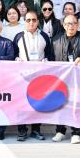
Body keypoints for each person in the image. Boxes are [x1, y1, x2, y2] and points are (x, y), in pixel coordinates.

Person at [51, 14, 80, 144]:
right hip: (61, 79)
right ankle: (60, 131)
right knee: (60, 105)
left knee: (78, 105)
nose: (71, 26)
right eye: (68, 23)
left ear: (78, 24)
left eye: (73, 23)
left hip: (79, 79)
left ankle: (76, 133)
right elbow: (51, 57)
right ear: (63, 25)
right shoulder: (55, 39)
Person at [13, 10, 54, 141]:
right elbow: (13, 54)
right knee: (21, 103)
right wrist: (16, 59)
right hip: (22, 76)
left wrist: (47, 60)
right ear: (24, 21)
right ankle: (22, 130)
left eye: (34, 20)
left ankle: (36, 130)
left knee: (38, 103)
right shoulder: (18, 36)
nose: (31, 22)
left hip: (39, 76)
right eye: (28, 20)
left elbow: (50, 54)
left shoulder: (44, 36)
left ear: (38, 21)